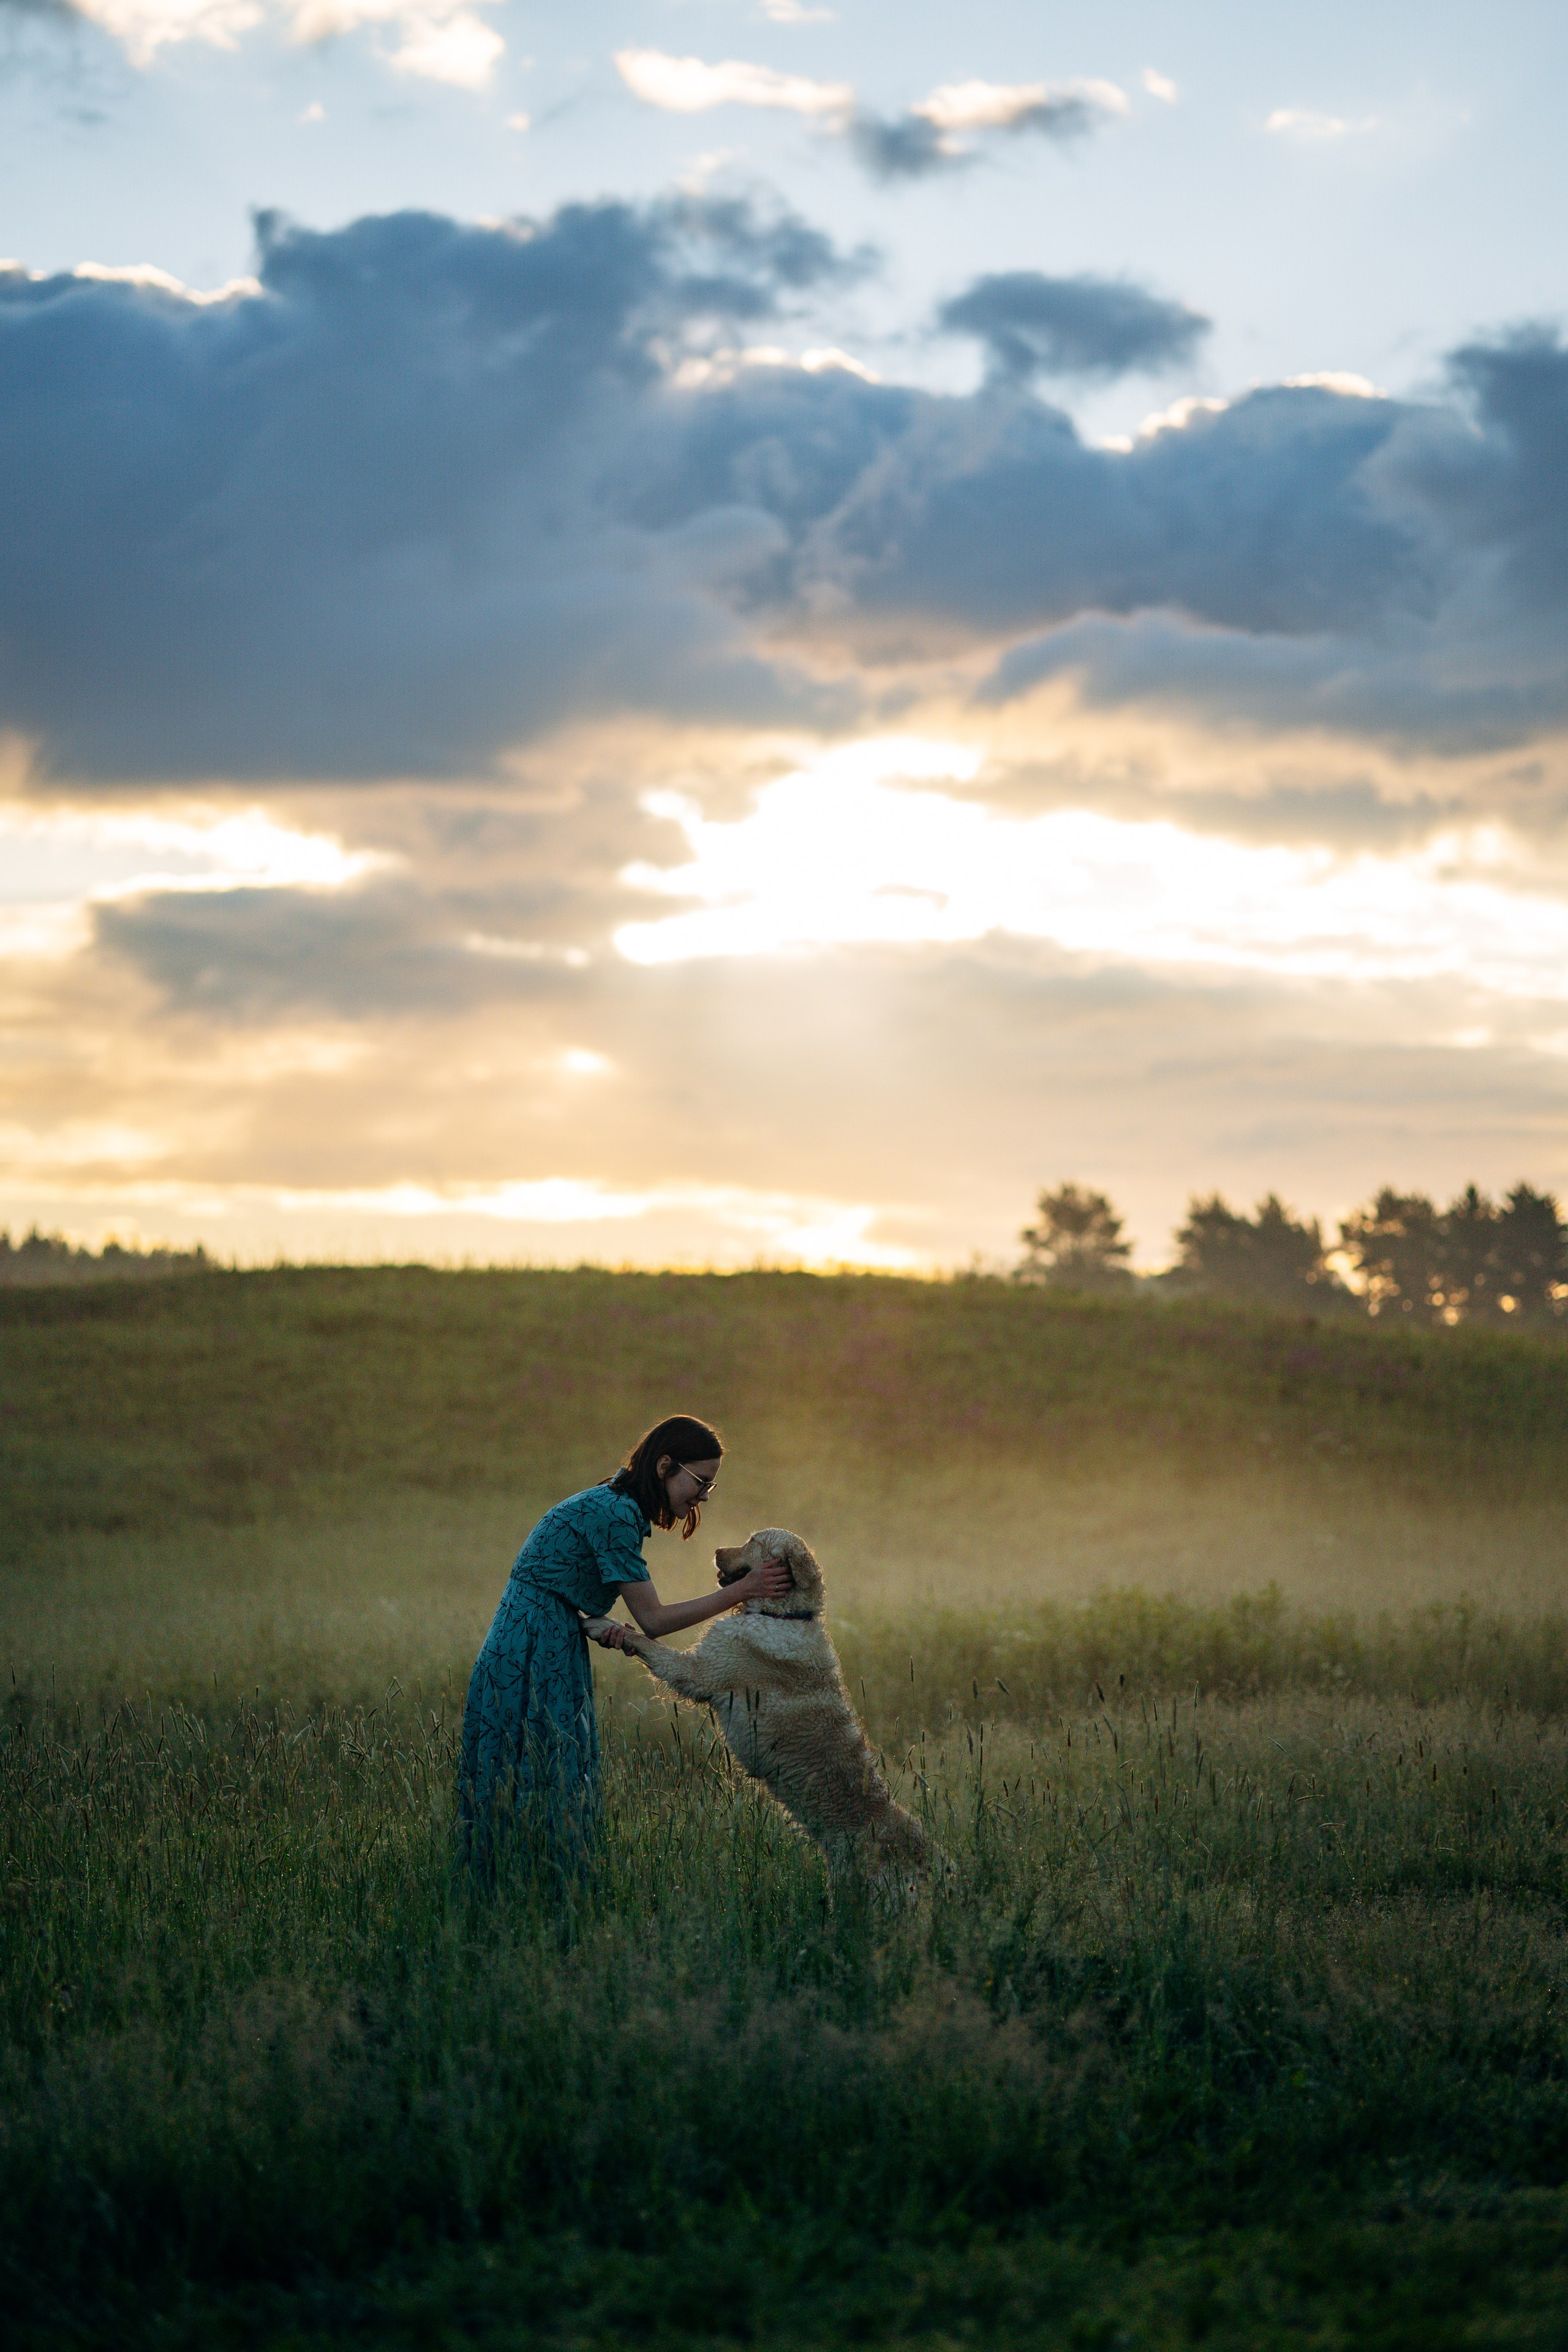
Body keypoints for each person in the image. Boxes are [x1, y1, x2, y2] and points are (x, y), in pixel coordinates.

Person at [458, 1413, 791, 1874]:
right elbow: (654, 1620)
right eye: (700, 1482)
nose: (704, 1497)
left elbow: (552, 1584)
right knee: (545, 1777)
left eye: (710, 1486)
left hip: (541, 1634)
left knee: (529, 1775)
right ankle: (537, 1894)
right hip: (533, 1646)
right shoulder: (616, 1514)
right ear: (664, 1466)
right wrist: (743, 1590)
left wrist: (593, 1622)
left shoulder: (613, 1505)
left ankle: (522, 1893)